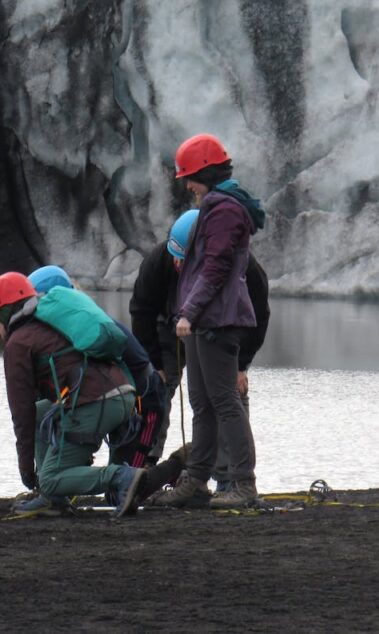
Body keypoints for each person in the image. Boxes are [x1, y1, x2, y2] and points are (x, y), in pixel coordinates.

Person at [149, 133, 266, 509]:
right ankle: (197, 481)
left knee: (224, 401)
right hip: (205, 320)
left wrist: (189, 312)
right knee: (202, 401)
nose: (187, 185)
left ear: (207, 174)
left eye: (190, 177)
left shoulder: (226, 210)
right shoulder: (216, 206)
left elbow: (215, 268)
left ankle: (242, 484)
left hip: (217, 319)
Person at [0, 271, 145, 519]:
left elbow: (21, 412)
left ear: (5, 313)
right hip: (121, 395)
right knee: (41, 413)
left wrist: (26, 469)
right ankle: (52, 497)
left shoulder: (18, 343)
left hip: (95, 402)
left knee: (50, 479)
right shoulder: (50, 322)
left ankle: (119, 477)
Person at [131, 210, 270, 492]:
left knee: (228, 396)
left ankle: (229, 479)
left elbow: (259, 317)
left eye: (182, 259)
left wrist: (242, 366)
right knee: (156, 390)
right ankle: (144, 467)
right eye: (175, 256)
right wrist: (155, 363)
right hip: (169, 327)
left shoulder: (245, 269)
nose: (176, 263)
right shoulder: (160, 261)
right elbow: (141, 311)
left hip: (218, 328)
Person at [27, 265, 190, 503]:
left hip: (144, 405)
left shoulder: (90, 329)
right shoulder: (79, 323)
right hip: (117, 402)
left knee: (125, 492)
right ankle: (52, 490)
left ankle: (179, 463)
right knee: (112, 483)